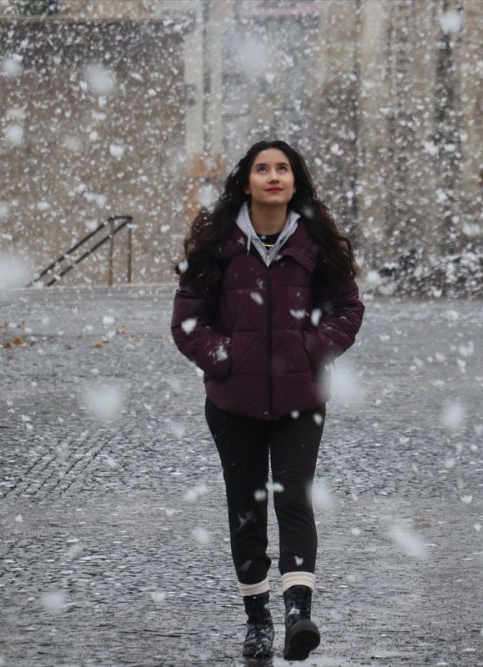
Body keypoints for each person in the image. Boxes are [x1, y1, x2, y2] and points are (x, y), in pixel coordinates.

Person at [171, 140, 364, 661]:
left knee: (294, 498)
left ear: (295, 181)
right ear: (247, 181)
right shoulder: (218, 245)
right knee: (247, 506)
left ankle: (299, 611)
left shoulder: (315, 244)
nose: (273, 176)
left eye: (282, 168)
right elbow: (188, 319)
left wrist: (309, 349)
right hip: (233, 402)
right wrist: (224, 357)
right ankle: (257, 619)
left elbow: (347, 309)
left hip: (300, 397)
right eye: (262, 169)